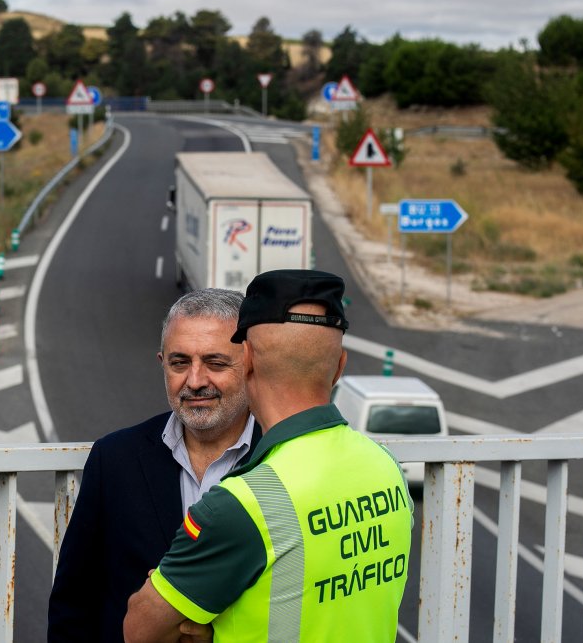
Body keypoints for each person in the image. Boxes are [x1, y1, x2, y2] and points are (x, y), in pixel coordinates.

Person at [124, 270, 414, 642]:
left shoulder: (241, 503)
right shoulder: (385, 466)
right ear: (339, 367)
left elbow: (139, 630)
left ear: (246, 363)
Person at [50, 288, 257, 642]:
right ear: (162, 362)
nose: (195, 381)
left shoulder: (284, 459)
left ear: (252, 363)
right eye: (179, 363)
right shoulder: (114, 459)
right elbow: (75, 600)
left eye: (215, 363)